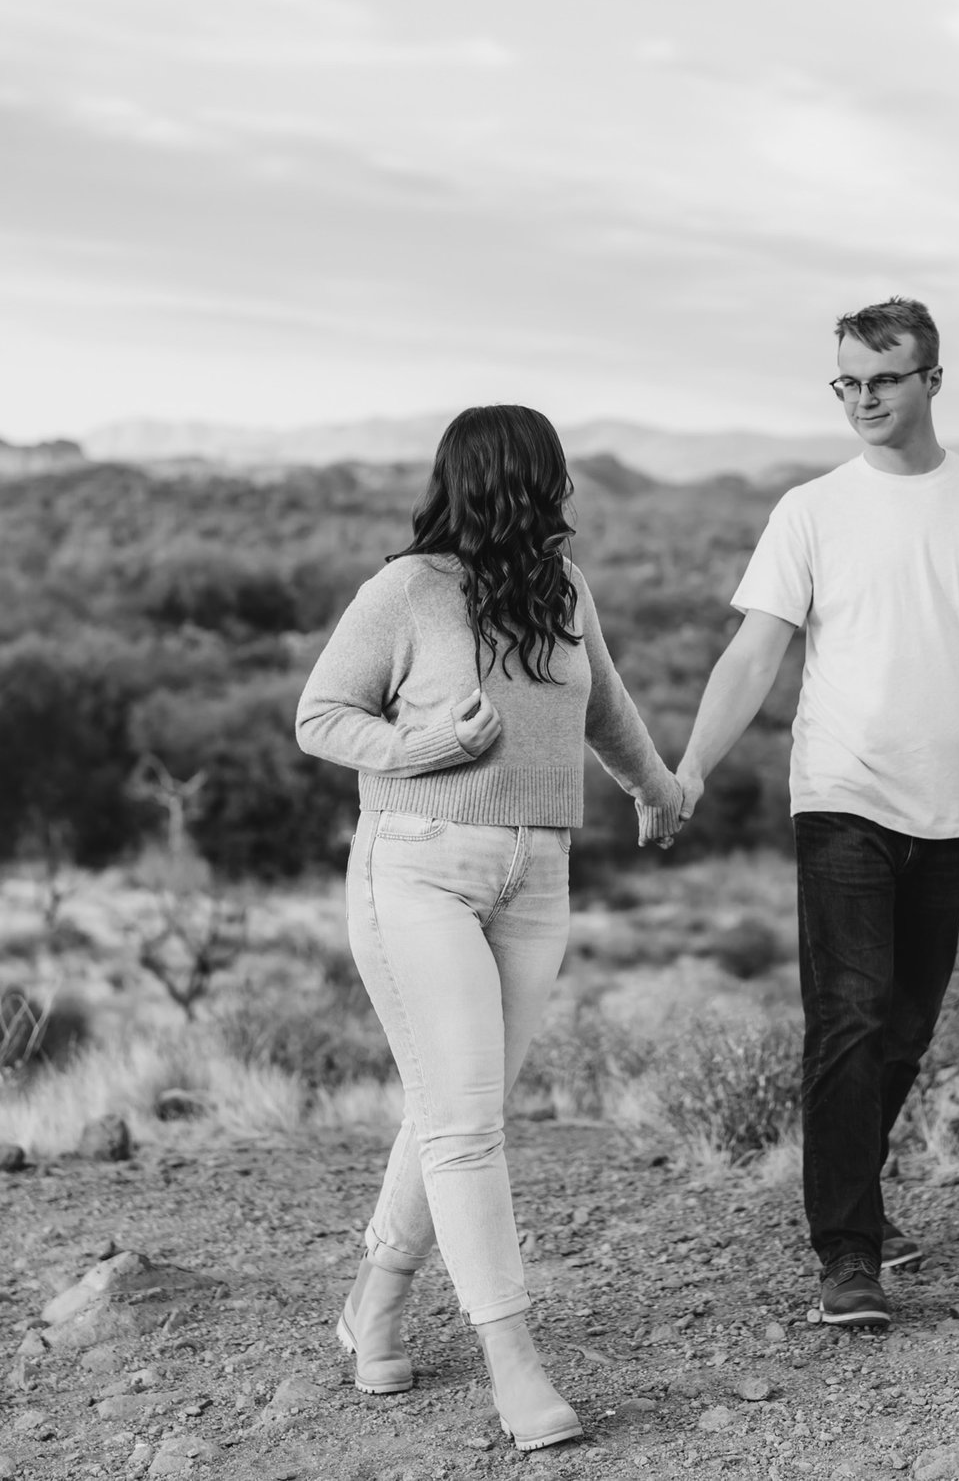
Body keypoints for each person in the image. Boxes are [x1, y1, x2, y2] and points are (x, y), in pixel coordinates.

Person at [295, 405, 685, 1450]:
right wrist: (424, 740)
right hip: (418, 866)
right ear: (498, 482)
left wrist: (657, 786)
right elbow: (320, 716)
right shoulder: (407, 589)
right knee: (468, 1124)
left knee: (453, 1110)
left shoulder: (563, 591)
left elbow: (603, 704)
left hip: (538, 874)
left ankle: (373, 1305)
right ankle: (513, 1364)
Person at [672, 297, 959, 1328]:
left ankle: (853, 1190)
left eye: (881, 379)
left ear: (932, 378)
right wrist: (692, 767)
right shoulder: (810, 509)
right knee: (847, 1015)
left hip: (951, 809)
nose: (861, 398)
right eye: (845, 381)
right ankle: (848, 1253)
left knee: (905, 1023)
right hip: (840, 794)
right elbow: (754, 652)